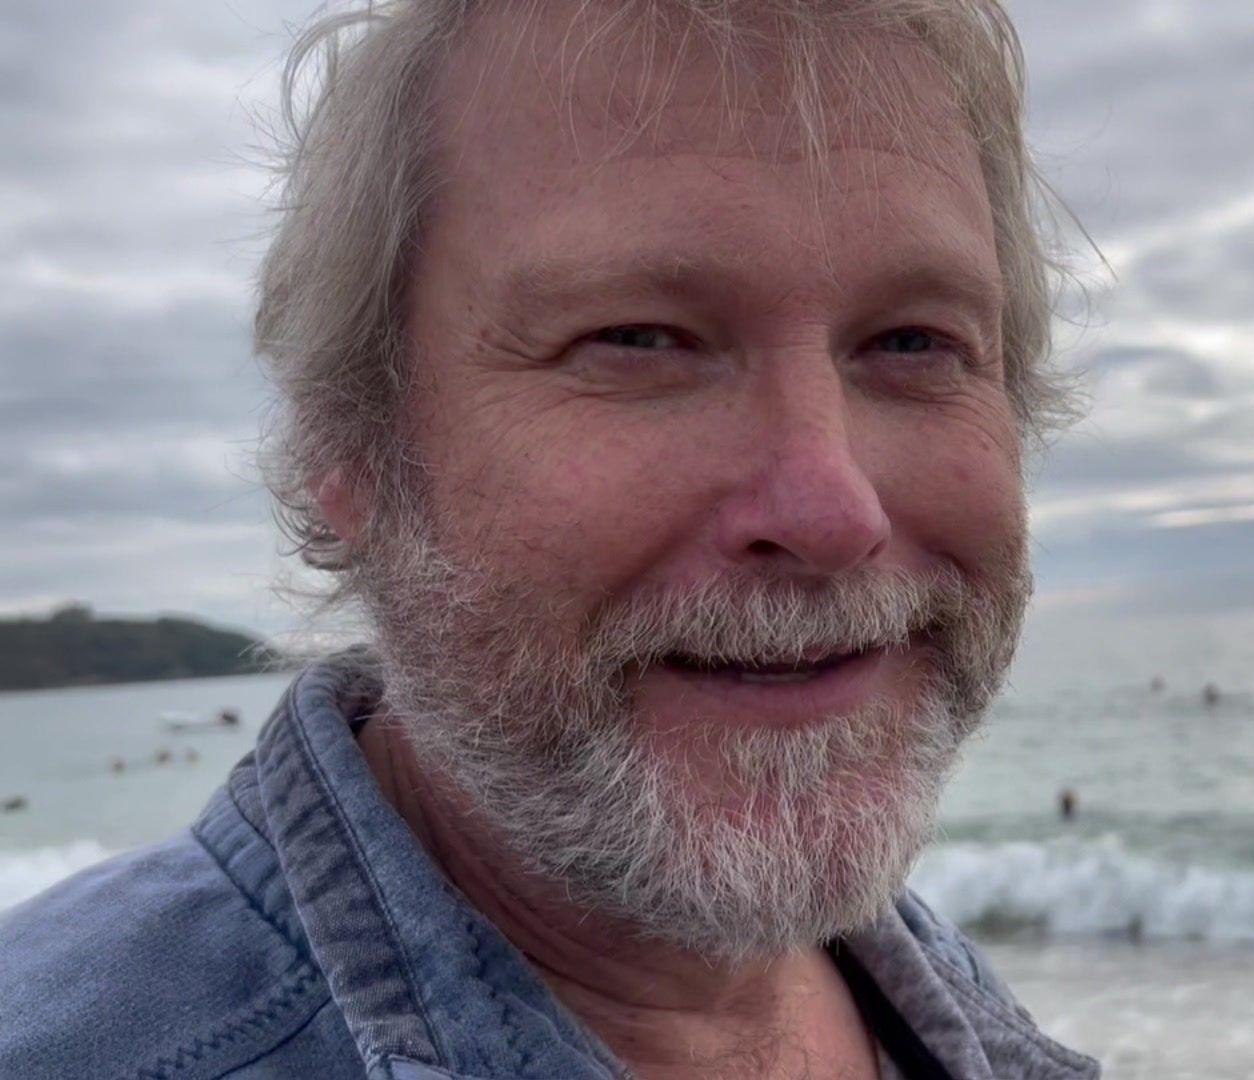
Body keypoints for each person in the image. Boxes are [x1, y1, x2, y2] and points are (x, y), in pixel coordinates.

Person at [0, 3, 1097, 1079]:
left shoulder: (943, 1001)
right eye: (635, 339)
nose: (832, 513)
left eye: (914, 342)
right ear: (351, 451)